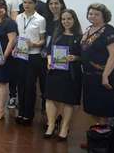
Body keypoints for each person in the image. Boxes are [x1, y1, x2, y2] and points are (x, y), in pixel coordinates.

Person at [44, 9, 82, 140]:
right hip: (54, 71)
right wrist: (49, 61)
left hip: (71, 73)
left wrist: (75, 58)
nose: (66, 21)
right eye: (63, 19)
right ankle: (51, 125)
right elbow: (49, 51)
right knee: (50, 98)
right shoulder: (56, 34)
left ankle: (64, 128)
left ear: (74, 20)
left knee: (68, 101)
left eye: (69, 19)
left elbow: (84, 56)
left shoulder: (80, 37)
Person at [81, 3, 114, 129]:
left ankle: (104, 138)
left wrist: (105, 75)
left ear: (104, 16)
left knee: (103, 108)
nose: (92, 16)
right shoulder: (88, 29)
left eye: (97, 14)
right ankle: (98, 133)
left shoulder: (108, 30)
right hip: (89, 75)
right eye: (90, 13)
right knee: (93, 107)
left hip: (103, 76)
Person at [13, 0, 46, 126]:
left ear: (35, 4)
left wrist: (34, 44)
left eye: (29, 3)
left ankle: (28, 115)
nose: (26, 5)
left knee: (30, 85)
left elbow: (43, 40)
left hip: (34, 55)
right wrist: (15, 47)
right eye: (25, 2)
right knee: (20, 84)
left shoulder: (40, 19)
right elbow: (17, 35)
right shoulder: (19, 17)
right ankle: (21, 112)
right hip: (21, 55)